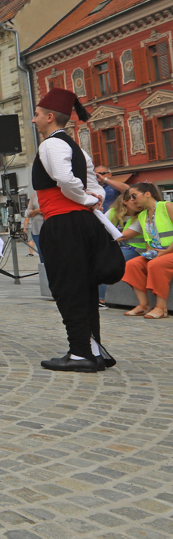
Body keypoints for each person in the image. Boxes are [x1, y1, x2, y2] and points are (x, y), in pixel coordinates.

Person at [29, 88, 114, 371]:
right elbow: (93, 182)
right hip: (83, 223)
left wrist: (87, 199)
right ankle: (93, 348)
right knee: (85, 288)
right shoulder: (77, 148)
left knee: (68, 287)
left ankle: (81, 353)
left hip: (64, 223)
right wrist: (94, 199)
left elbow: (66, 180)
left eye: (37, 114)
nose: (33, 119)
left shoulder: (50, 145)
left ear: (50, 117)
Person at [118, 183, 173, 318]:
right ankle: (144, 305)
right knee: (132, 265)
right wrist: (150, 253)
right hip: (158, 252)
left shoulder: (166, 206)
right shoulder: (142, 215)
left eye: (134, 195)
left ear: (147, 194)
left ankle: (161, 308)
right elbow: (149, 239)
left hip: (169, 251)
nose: (133, 199)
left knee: (155, 264)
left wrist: (165, 252)